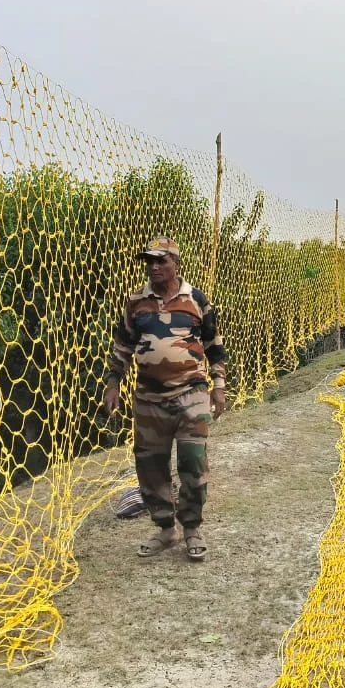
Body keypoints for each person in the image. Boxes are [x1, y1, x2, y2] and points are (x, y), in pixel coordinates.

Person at [103, 236, 227, 561]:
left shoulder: (196, 300)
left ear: (175, 264)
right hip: (147, 399)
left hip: (192, 394)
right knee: (151, 465)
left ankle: (192, 529)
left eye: (161, 261)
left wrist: (219, 385)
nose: (154, 267)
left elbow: (214, 346)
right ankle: (165, 530)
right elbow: (122, 347)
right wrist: (113, 383)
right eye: (150, 262)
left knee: (193, 463)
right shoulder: (136, 303)